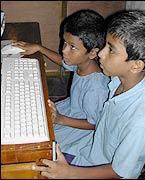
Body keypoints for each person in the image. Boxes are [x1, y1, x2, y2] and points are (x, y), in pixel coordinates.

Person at [31, 10, 145, 179]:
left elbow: (118, 171)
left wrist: (69, 173)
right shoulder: (117, 79)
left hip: (100, 168)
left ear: (136, 65)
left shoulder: (140, 121)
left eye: (111, 50)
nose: (101, 53)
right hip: (88, 149)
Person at [14, 9, 110, 148]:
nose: (64, 50)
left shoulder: (95, 88)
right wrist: (39, 48)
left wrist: (60, 119)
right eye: (65, 42)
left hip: (76, 124)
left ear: (92, 52)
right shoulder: (83, 64)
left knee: (38, 142)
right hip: (69, 110)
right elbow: (63, 61)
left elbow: (95, 123)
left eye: (72, 47)